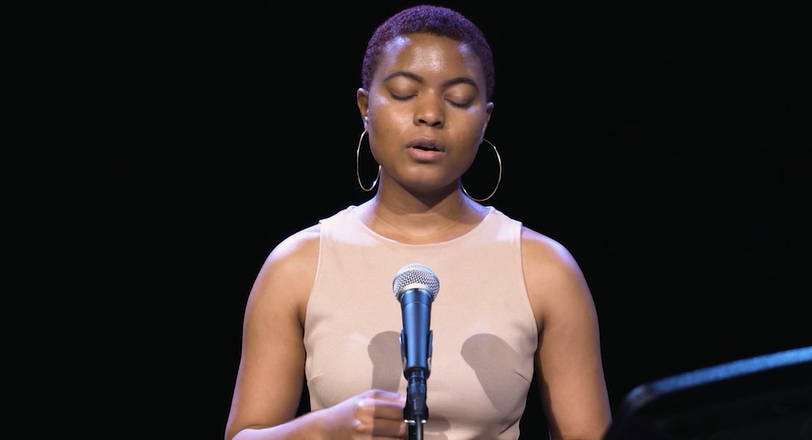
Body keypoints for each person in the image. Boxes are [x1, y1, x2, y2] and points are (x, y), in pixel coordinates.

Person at [225, 5, 612, 440]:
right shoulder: (297, 266)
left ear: (485, 118)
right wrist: (325, 429)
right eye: (406, 93)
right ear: (365, 107)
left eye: (458, 99)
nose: (431, 114)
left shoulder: (544, 270)